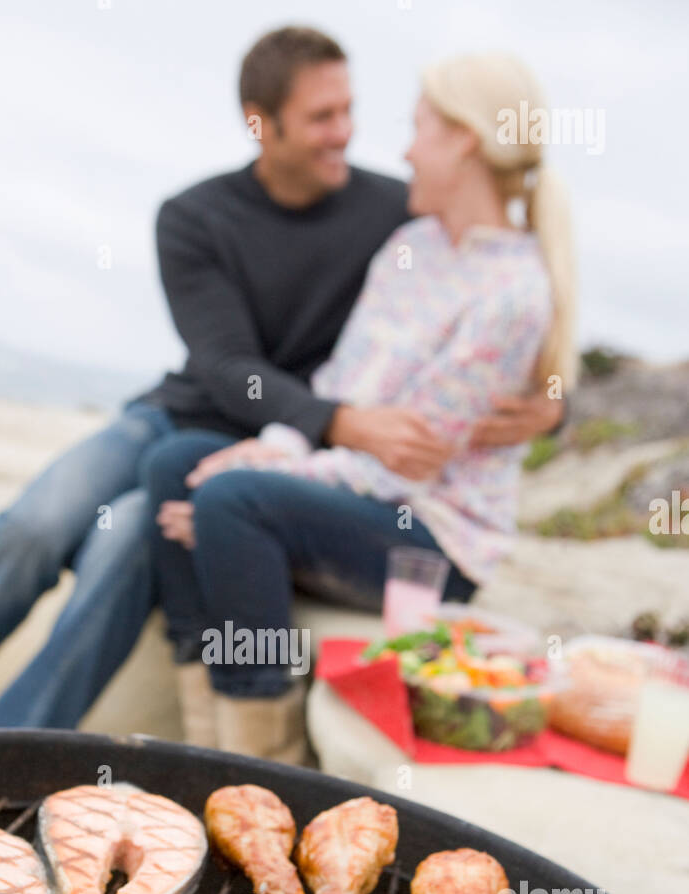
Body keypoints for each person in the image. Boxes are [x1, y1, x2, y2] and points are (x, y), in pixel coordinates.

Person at [0, 27, 560, 739]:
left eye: (349, 110)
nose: (344, 134)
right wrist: (338, 424)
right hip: (194, 415)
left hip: (284, 449)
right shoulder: (194, 218)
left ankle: (1, 749)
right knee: (33, 528)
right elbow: (231, 368)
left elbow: (507, 324)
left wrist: (554, 408)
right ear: (262, 123)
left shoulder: (397, 211)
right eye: (322, 117)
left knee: (125, 545)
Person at [144, 50, 576, 763]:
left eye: (418, 129)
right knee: (174, 463)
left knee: (229, 499)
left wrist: (259, 480)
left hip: (431, 534)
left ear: (464, 140)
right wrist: (275, 451)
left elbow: (405, 469)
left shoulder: (514, 296)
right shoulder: (410, 246)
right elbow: (340, 389)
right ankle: (204, 740)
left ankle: (264, 764)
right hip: (357, 484)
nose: (403, 149)